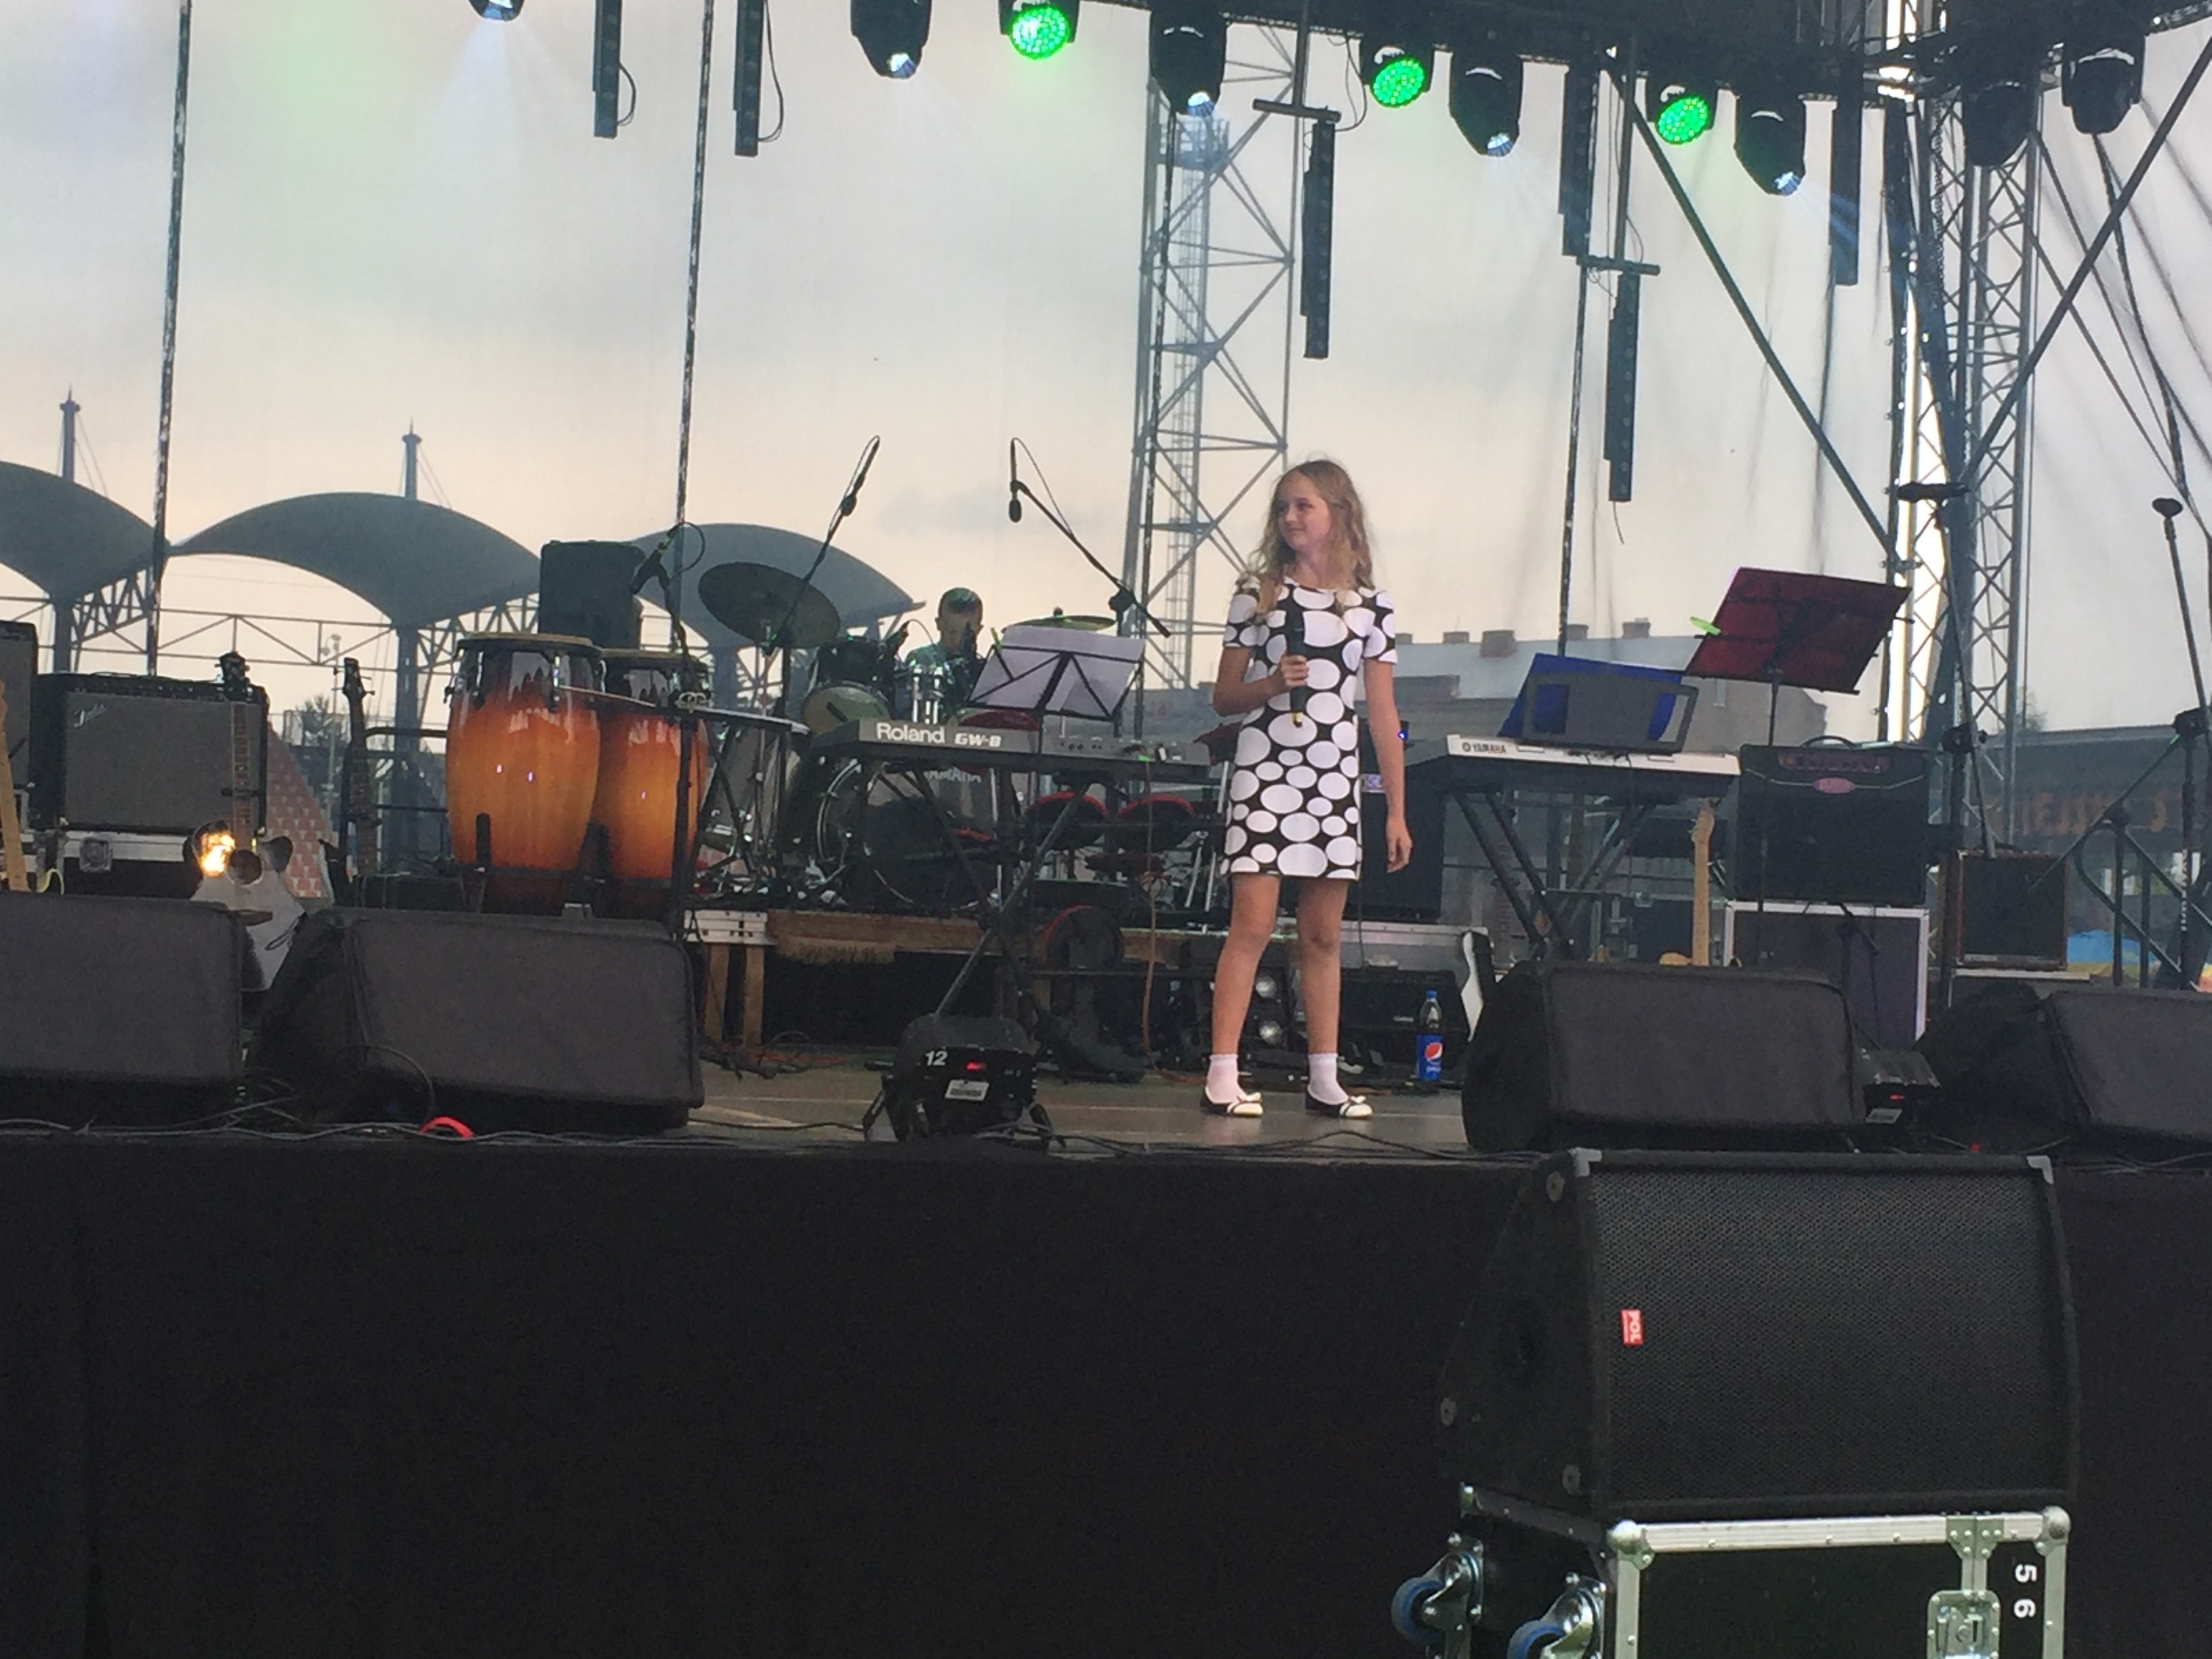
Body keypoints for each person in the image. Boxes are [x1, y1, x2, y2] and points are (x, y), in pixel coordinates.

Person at [1203, 461, 1410, 1118]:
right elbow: (1223, 697)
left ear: (1338, 513)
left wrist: (1396, 810)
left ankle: (1325, 1076)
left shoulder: (1371, 606)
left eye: (1304, 506)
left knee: (1322, 933)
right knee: (1253, 923)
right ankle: (1222, 1070)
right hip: (1268, 769)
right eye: (1283, 508)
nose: (1291, 518)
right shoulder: (1259, 594)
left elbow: (1382, 713)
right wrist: (1271, 684)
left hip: (1332, 776)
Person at [903, 588, 987, 710]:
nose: (959, 639)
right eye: (952, 631)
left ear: (979, 629)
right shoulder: (921, 659)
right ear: (939, 624)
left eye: (968, 634)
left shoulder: (983, 670)